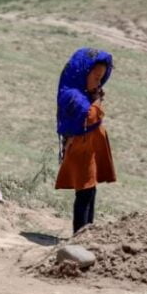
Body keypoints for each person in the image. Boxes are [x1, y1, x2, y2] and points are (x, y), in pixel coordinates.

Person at [55, 48, 116, 233]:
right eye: (96, 78)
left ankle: (88, 231)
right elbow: (88, 118)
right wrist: (97, 101)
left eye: (101, 79)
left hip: (87, 148)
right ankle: (80, 233)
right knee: (84, 192)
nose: (99, 83)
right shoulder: (72, 95)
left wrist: (94, 97)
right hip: (79, 149)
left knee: (90, 190)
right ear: (83, 72)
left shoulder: (82, 93)